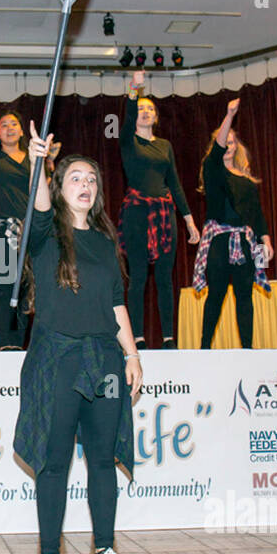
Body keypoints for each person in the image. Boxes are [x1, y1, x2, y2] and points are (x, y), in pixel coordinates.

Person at [13, 125, 142, 554]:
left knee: (103, 458)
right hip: (58, 358)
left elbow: (115, 303)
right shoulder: (46, 235)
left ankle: (105, 550)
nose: (85, 185)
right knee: (54, 460)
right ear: (58, 188)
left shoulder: (107, 243)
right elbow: (41, 207)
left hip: (105, 358)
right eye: (75, 178)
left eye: (91, 179)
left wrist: (132, 354)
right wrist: (37, 163)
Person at [0, 68, 59, 350]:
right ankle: (6, 344)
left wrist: (49, 164)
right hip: (0, 230)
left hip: (29, 232)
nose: (10, 128)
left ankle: (19, 346)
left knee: (25, 290)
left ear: (22, 131)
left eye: (14, 125)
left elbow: (46, 193)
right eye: (4, 125)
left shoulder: (34, 159)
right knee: (2, 288)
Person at [118, 72, 200, 349]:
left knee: (165, 278)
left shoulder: (165, 146)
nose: (145, 112)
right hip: (137, 213)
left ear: (156, 116)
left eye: (150, 109)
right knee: (138, 276)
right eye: (141, 108)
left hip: (165, 215)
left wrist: (189, 222)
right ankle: (138, 338)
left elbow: (175, 183)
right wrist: (134, 89)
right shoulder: (128, 141)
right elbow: (128, 117)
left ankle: (168, 338)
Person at [194, 97, 273, 348]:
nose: (228, 146)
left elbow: (257, 215)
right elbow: (216, 153)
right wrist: (229, 115)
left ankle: (247, 351)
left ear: (238, 146)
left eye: (232, 142)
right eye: (224, 141)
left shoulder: (247, 180)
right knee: (215, 296)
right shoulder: (213, 171)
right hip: (219, 242)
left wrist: (266, 242)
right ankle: (204, 349)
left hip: (246, 242)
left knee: (245, 298)